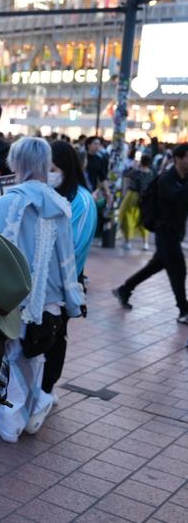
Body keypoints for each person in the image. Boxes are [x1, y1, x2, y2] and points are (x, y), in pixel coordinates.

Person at [0, 137, 84, 443]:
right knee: (34, 356)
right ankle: (31, 406)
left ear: (17, 163)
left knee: (12, 357)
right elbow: (67, 258)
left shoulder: (8, 201)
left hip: (14, 298)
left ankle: (11, 419)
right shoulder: (60, 204)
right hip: (51, 300)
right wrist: (73, 301)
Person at [44, 139, 96, 401]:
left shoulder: (82, 202)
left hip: (61, 283)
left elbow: (72, 249)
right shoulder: (43, 194)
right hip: (33, 281)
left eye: (53, 168)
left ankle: (47, 389)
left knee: (54, 336)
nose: (48, 174)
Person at [113, 144, 188, 324]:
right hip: (164, 232)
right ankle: (184, 310)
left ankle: (125, 289)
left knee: (156, 265)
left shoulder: (184, 178)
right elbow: (178, 197)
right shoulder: (167, 179)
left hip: (175, 232)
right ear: (178, 158)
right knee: (178, 270)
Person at [119, 153, 154, 251]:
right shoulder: (151, 173)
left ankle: (128, 242)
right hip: (145, 198)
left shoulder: (135, 172)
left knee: (128, 218)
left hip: (132, 196)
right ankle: (145, 243)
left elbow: (126, 178)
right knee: (143, 219)